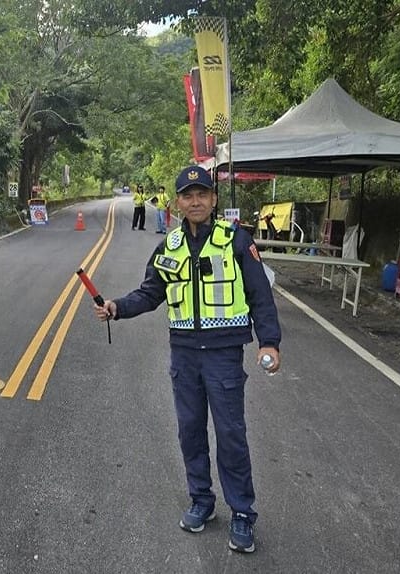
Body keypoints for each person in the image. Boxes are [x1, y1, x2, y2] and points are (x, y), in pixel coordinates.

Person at [92, 165, 281, 554]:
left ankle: (243, 514)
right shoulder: (170, 246)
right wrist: (116, 307)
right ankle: (202, 501)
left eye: (202, 194)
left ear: (213, 199)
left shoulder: (236, 241)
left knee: (231, 436)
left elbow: (260, 295)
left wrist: (270, 342)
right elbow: (149, 293)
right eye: (187, 195)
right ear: (177, 203)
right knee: (190, 431)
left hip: (224, 355)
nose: (195, 201)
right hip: (184, 356)